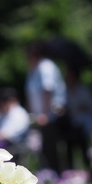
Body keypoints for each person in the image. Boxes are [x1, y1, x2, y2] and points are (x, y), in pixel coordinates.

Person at [25, 42, 68, 173]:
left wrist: (44, 113)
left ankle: (55, 179)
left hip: (51, 116)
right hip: (42, 117)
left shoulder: (46, 66)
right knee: (45, 150)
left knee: (51, 151)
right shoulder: (35, 69)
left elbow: (47, 90)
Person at [63, 66, 92, 174]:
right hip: (70, 127)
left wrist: (85, 106)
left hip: (83, 127)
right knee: (69, 156)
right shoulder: (65, 91)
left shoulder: (84, 91)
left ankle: (91, 177)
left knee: (86, 155)